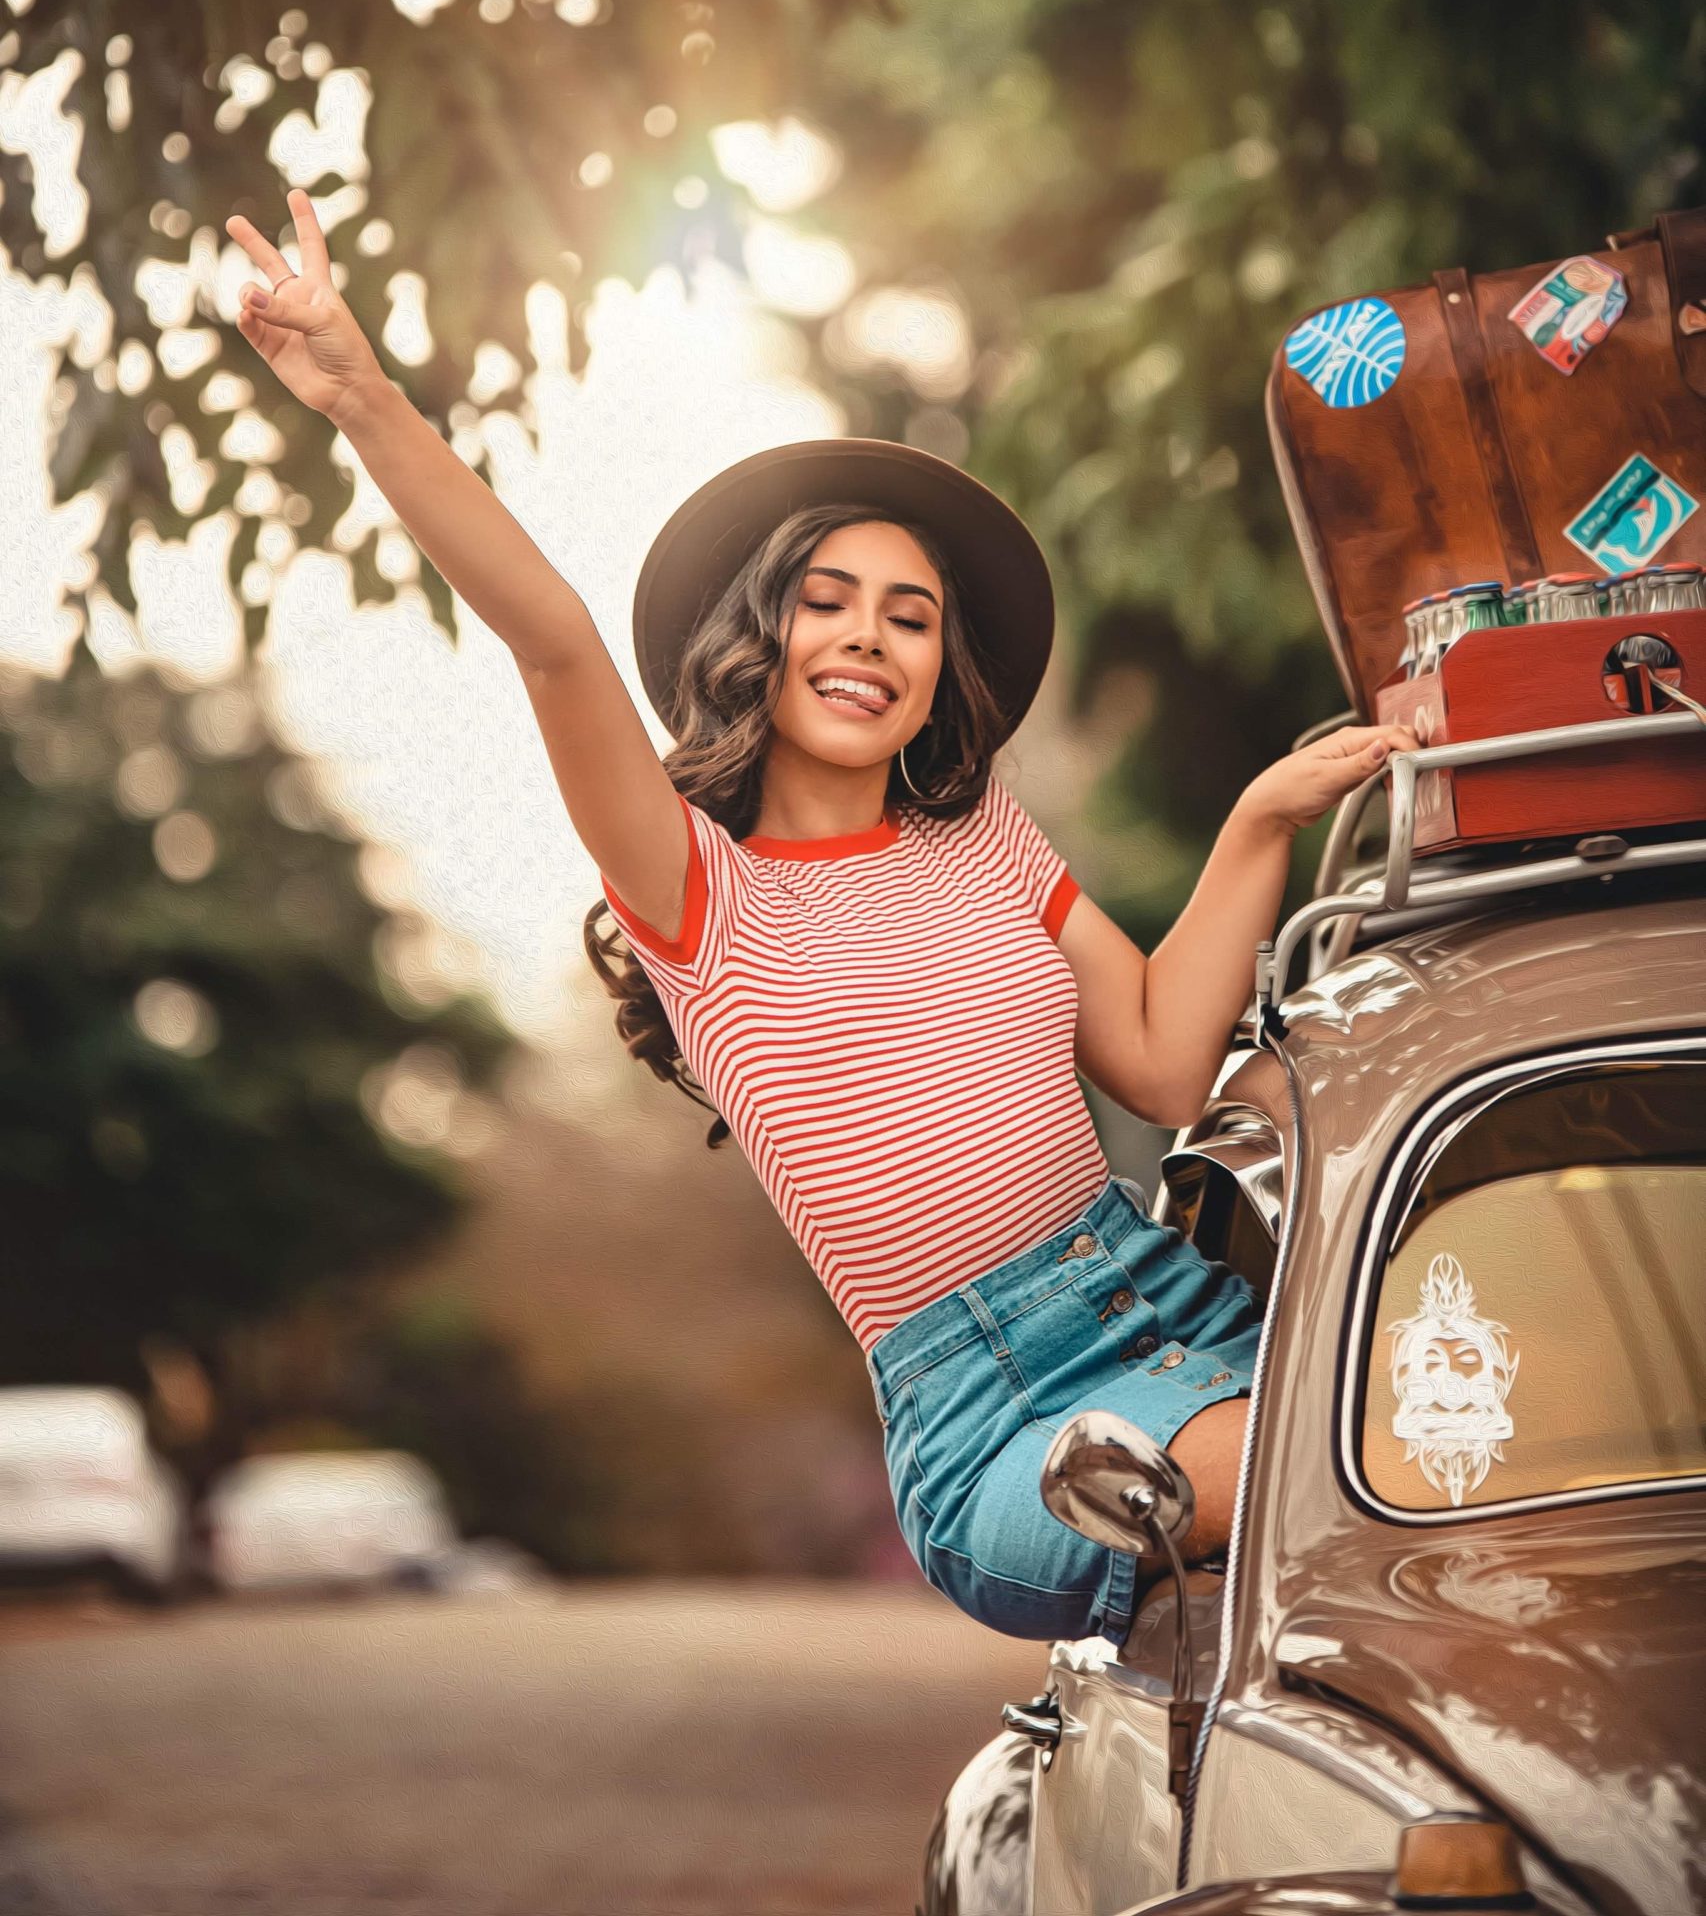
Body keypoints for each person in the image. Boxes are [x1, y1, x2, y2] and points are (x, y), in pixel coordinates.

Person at [227, 188, 1415, 1647]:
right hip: (999, 1424)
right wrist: (360, 396)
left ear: (935, 671)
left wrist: (1259, 821)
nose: (869, 635)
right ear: (759, 639)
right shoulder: (691, 892)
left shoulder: (979, 835)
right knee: (1357, 1468)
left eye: (910, 616)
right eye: (827, 600)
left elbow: (1167, 1066)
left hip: (1179, 1308)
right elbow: (551, 640)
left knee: (1464, 1430)